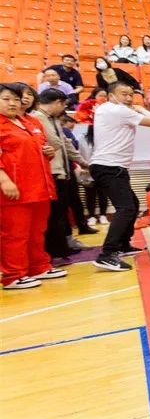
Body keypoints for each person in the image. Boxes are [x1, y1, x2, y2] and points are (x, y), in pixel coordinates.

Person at [90, 82, 150, 271]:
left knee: (132, 204)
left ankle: (122, 244)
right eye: (124, 94)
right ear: (111, 95)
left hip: (112, 167)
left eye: (131, 95)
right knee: (126, 208)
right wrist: (139, 108)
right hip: (109, 167)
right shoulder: (118, 111)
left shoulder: (105, 109)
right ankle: (107, 254)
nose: (129, 99)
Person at [0, 82, 65, 289]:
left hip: (39, 186)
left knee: (37, 231)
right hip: (14, 189)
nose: (13, 103)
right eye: (6, 99)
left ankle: (39, 266)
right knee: (15, 234)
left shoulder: (28, 122)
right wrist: (4, 179)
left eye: (16, 99)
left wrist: (48, 152)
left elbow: (41, 148)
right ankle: (13, 275)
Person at [33, 88, 92, 259]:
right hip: (51, 171)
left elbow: (65, 143)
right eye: (63, 105)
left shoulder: (53, 119)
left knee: (61, 212)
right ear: (58, 102)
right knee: (54, 214)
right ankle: (56, 249)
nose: (63, 109)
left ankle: (62, 246)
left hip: (62, 170)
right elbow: (55, 142)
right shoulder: (38, 118)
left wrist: (82, 161)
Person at [74, 123, 109, 226]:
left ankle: (103, 215)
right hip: (87, 170)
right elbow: (79, 152)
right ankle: (92, 216)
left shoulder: (105, 138)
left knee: (103, 194)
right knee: (90, 195)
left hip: (102, 170)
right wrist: (82, 165)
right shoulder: (82, 138)